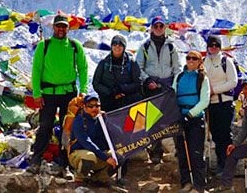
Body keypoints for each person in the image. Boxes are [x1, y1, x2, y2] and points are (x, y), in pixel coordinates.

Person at [28, 14, 88, 175]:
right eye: (58, 26)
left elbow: (83, 69)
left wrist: (83, 90)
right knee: (45, 126)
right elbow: (36, 70)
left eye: (64, 26)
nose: (61, 29)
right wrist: (36, 93)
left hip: (69, 94)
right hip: (48, 93)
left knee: (67, 128)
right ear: (53, 27)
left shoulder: (75, 46)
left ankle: (65, 163)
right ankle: (36, 159)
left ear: (68, 28)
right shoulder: (44, 45)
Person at [92, 33, 141, 182]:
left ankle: (122, 170)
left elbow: (137, 83)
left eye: (120, 45)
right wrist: (110, 93)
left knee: (124, 136)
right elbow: (96, 83)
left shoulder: (131, 63)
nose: (117, 47)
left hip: (126, 105)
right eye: (115, 44)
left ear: (124, 47)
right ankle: (106, 167)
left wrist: (122, 89)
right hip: (108, 104)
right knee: (108, 136)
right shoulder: (104, 63)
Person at [136, 16, 181, 164]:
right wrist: (147, 80)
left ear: (165, 28)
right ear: (151, 28)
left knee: (172, 118)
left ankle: (178, 150)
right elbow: (138, 67)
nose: (159, 29)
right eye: (156, 26)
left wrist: (174, 86)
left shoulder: (171, 47)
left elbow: (177, 68)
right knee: (153, 120)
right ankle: (156, 151)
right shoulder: (145, 46)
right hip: (151, 87)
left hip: (168, 87)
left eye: (161, 26)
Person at [173, 49, 210, 193]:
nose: (190, 61)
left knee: (196, 152)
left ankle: (199, 185)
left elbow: (204, 101)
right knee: (182, 152)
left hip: (194, 119)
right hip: (179, 118)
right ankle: (186, 182)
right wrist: (175, 114)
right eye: (188, 58)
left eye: (194, 59)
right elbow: (173, 95)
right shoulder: (179, 76)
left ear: (199, 62)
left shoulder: (202, 78)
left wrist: (190, 114)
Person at [203, 35, 237, 176]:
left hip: (224, 103)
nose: (214, 48)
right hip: (210, 104)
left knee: (225, 136)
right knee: (215, 136)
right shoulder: (204, 61)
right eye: (211, 45)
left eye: (216, 45)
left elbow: (233, 82)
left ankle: (227, 166)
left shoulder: (226, 61)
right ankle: (220, 164)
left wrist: (214, 90)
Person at [68, 94, 120, 187]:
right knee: (89, 156)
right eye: (90, 106)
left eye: (97, 106)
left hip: (97, 153)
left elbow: (116, 133)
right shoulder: (79, 120)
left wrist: (107, 119)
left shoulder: (101, 119)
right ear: (84, 107)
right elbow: (86, 142)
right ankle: (80, 177)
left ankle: (99, 178)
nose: (94, 108)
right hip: (79, 154)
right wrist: (106, 158)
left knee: (119, 155)